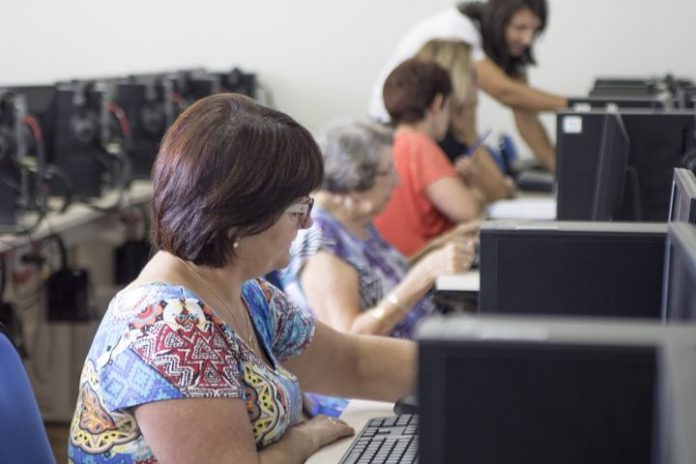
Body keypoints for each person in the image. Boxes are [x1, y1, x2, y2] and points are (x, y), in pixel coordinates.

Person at [67, 94, 415, 463]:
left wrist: (468, 367)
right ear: (240, 217)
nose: (308, 223)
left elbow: (353, 362)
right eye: (297, 209)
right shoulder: (167, 330)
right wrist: (305, 439)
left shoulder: (248, 295)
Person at [280, 121, 475, 417]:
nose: (397, 182)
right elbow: (349, 341)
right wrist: (423, 275)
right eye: (388, 171)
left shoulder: (354, 220)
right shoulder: (321, 245)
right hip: (374, 395)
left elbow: (382, 281)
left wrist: (440, 246)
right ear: (356, 180)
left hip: (410, 368)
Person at [369, 0, 566, 172]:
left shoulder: (512, 47)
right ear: (498, 21)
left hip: (438, 124)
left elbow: (524, 109)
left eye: (535, 30)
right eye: (520, 28)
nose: (528, 39)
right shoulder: (458, 28)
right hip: (396, 122)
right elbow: (506, 92)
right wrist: (574, 105)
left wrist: (557, 169)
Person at [373, 57, 483, 258]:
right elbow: (470, 214)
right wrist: (473, 188)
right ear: (438, 103)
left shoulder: (386, 143)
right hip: (424, 269)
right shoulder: (419, 147)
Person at [414, 38, 516, 200]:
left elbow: (499, 190)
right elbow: (499, 192)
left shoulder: (448, 130)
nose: (478, 86)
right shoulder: (439, 137)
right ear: (456, 79)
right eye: (473, 77)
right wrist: (470, 133)